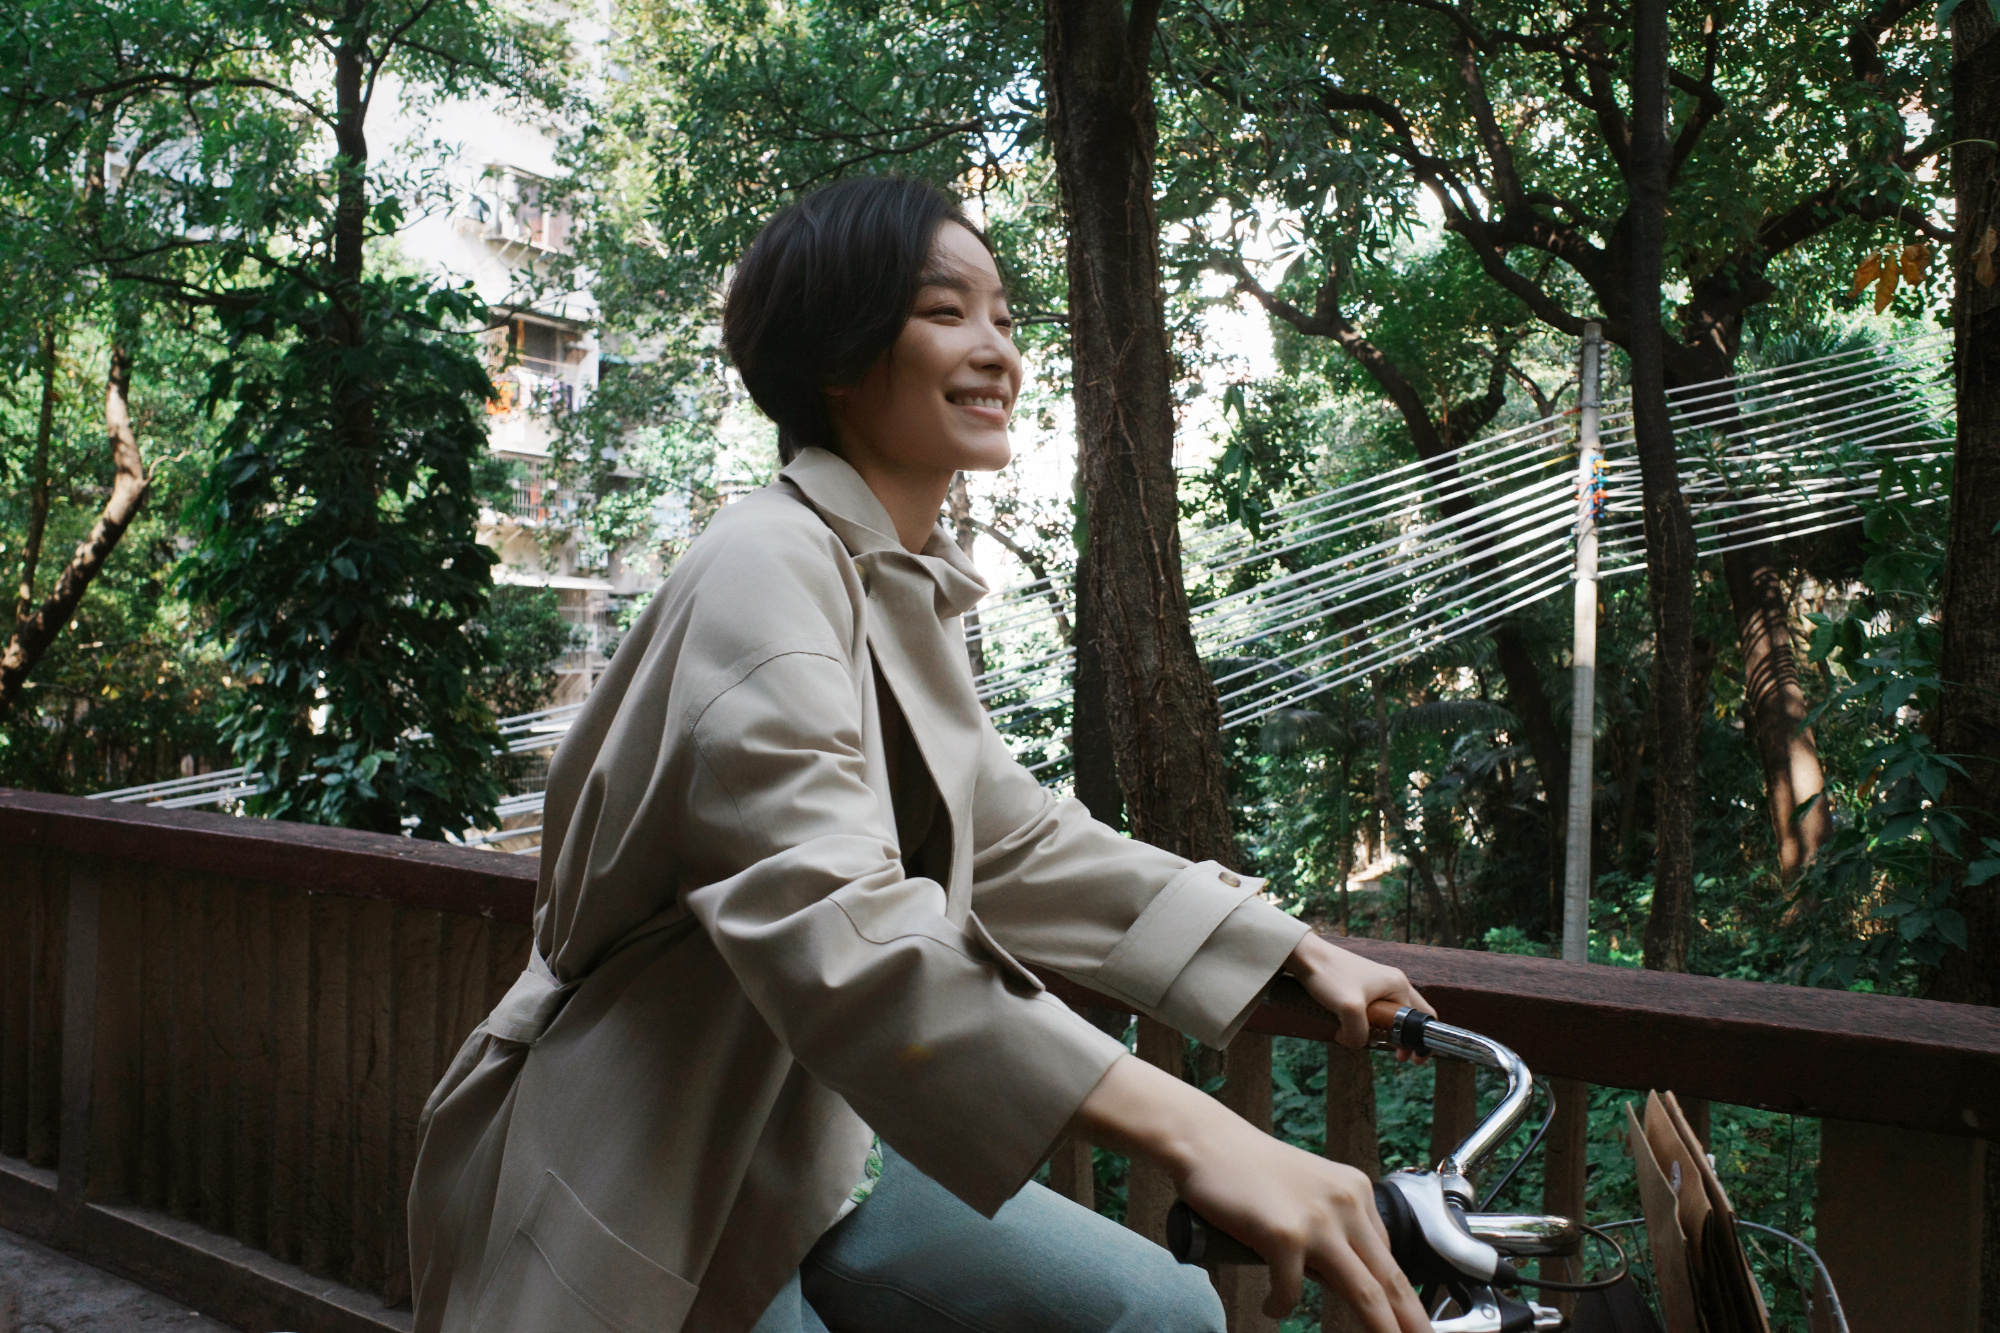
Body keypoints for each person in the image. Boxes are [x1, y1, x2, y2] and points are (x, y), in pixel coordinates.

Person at [407, 175, 1436, 1333]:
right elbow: (836, 921)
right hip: (653, 1151)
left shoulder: (891, 577)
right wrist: (1204, 1135)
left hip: (809, 1145)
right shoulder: (763, 559)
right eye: (945, 312)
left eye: (1002, 315)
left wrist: (1285, 947)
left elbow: (1009, 838)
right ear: (837, 356)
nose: (996, 349)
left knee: (1158, 1310)